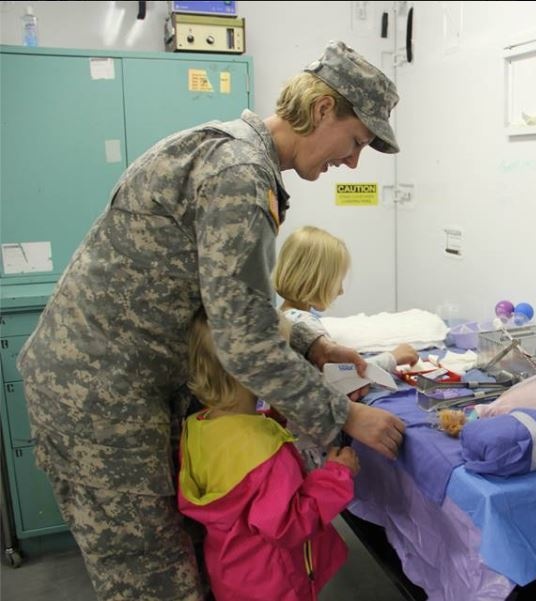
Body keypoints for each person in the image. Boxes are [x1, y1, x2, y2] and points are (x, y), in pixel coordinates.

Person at [16, 40, 404, 601]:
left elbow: (229, 299)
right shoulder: (239, 173)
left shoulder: (235, 156)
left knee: (191, 560)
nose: (352, 162)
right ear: (323, 110)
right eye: (355, 142)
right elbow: (243, 342)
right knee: (153, 578)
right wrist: (344, 416)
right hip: (98, 396)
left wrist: (308, 341)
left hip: (131, 385)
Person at [179, 309, 359, 601]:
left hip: (232, 576)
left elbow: (240, 484)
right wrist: (338, 474)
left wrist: (268, 421)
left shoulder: (198, 427)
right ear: (262, 372)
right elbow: (289, 524)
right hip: (277, 583)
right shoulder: (262, 450)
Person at [273, 225, 420, 374]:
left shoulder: (283, 316)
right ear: (316, 280)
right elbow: (343, 375)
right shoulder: (306, 323)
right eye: (337, 282)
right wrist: (392, 358)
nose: (340, 291)